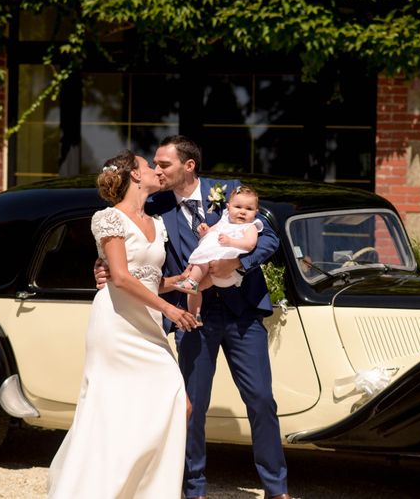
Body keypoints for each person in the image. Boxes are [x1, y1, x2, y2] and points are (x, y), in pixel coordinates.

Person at [97, 136, 291, 499]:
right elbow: (128, 244)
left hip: (242, 314)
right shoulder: (154, 205)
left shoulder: (232, 192)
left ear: (188, 166)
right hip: (191, 314)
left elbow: (270, 239)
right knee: (191, 406)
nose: (157, 170)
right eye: (153, 164)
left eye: (164, 164)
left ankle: (276, 488)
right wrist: (103, 266)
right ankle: (193, 489)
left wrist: (239, 262)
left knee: (262, 400)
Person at [48, 150, 200, 499]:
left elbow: (147, 278)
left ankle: (146, 489)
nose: (156, 171)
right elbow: (118, 276)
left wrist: (176, 282)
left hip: (146, 323)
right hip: (116, 324)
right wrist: (169, 309)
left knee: (178, 402)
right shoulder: (108, 219)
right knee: (113, 408)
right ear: (134, 174)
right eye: (149, 166)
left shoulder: (157, 221)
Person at [173, 184, 263, 320]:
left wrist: (231, 241)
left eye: (249, 209)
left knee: (200, 263)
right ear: (228, 208)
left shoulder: (250, 227)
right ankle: (194, 315)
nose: (243, 212)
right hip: (213, 272)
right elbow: (211, 231)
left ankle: (190, 281)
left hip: (228, 269)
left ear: (256, 212)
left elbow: (250, 244)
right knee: (196, 289)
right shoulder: (224, 220)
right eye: (238, 207)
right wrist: (204, 231)